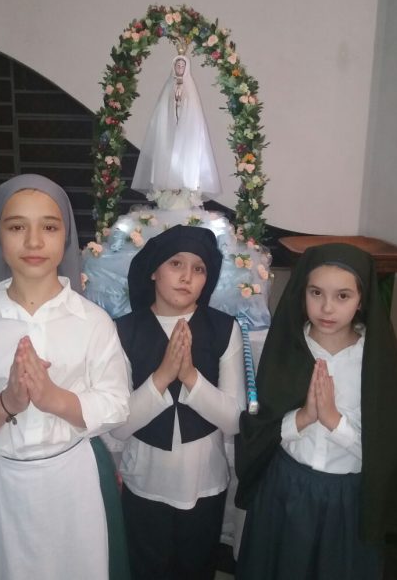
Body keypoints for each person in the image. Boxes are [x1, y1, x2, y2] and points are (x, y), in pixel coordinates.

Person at [0, 174, 131, 580]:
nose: (34, 241)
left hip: (76, 485)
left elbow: (117, 403)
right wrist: (6, 403)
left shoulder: (93, 322)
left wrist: (55, 399)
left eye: (49, 227)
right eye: (17, 227)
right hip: (4, 487)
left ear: (66, 237)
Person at [234, 243, 397, 580]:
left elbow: (386, 454)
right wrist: (302, 418)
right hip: (285, 490)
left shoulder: (375, 361)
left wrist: (333, 421)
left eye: (343, 296)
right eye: (316, 293)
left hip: (349, 500)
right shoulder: (287, 348)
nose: (327, 308)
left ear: (361, 300)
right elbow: (259, 431)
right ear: (302, 293)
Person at [112, 224, 246, 580]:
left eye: (199, 269)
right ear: (153, 270)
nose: (187, 277)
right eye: (176, 264)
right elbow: (119, 425)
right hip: (145, 483)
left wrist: (189, 376)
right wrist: (162, 376)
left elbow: (234, 420)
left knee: (197, 568)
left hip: (205, 482)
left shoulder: (224, 329)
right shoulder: (124, 331)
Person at [131, 54, 221, 198]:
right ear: (174, 67)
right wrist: (173, 103)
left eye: (182, 66)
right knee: (168, 154)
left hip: (185, 127)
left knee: (184, 155)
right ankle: (167, 189)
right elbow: (163, 108)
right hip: (170, 126)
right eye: (177, 65)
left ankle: (184, 189)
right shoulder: (169, 84)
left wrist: (182, 103)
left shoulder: (190, 86)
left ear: (186, 68)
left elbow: (194, 110)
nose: (180, 68)